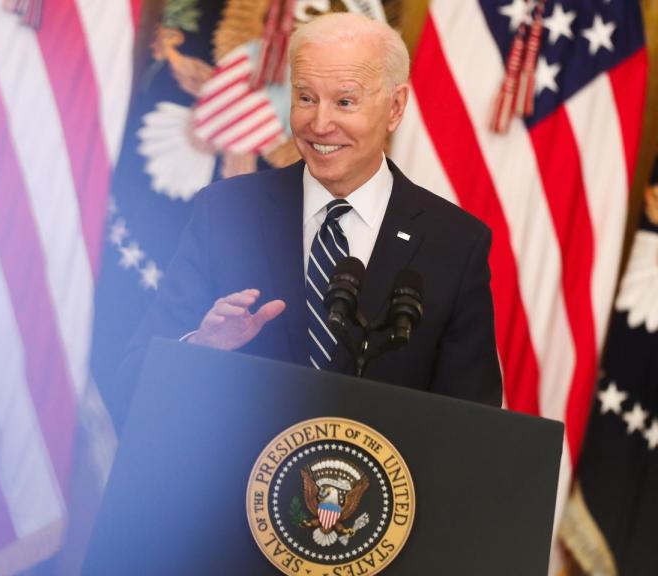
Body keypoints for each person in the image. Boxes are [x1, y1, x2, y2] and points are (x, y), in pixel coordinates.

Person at [121, 12, 502, 423]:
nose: (319, 124)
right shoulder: (226, 212)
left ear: (395, 107)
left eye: (344, 101)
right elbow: (132, 380)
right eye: (305, 98)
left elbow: (471, 428)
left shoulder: (455, 244)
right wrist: (201, 346)